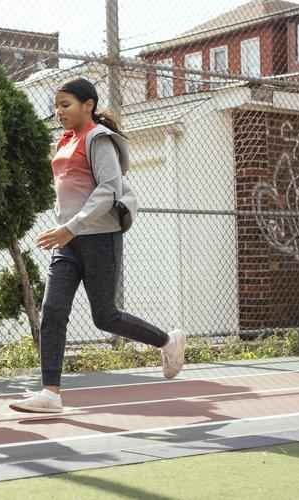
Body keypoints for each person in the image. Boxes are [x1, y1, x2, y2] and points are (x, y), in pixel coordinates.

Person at [10, 78, 186, 414]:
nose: (58, 112)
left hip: (99, 239)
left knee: (105, 316)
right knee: (53, 312)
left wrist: (71, 227)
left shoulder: (98, 139)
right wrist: (65, 229)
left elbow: (108, 189)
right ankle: (50, 393)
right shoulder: (65, 141)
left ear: (88, 105)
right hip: (68, 243)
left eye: (66, 105)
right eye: (56, 105)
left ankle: (167, 341)